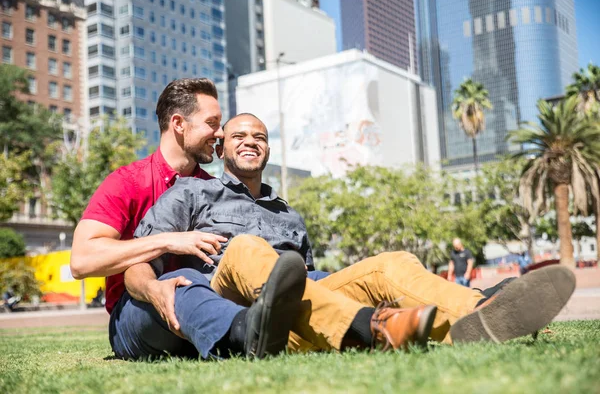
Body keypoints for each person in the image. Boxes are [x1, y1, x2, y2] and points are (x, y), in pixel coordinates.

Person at [126, 113, 576, 350]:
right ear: (221, 147)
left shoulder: (289, 214)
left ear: (267, 149)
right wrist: (155, 291)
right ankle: (370, 328)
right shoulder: (191, 194)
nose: (250, 141)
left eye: (259, 137)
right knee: (247, 249)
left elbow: (304, 281)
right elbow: (136, 263)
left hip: (289, 305)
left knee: (392, 263)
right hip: (229, 295)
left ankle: (484, 311)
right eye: (239, 135)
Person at [70, 78, 309, 360]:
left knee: (196, 283)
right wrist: (168, 242)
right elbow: (82, 261)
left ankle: (246, 328)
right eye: (212, 123)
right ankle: (243, 331)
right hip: (141, 308)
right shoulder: (128, 182)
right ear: (179, 124)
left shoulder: (214, 190)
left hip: (211, 305)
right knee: (183, 281)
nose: (219, 133)